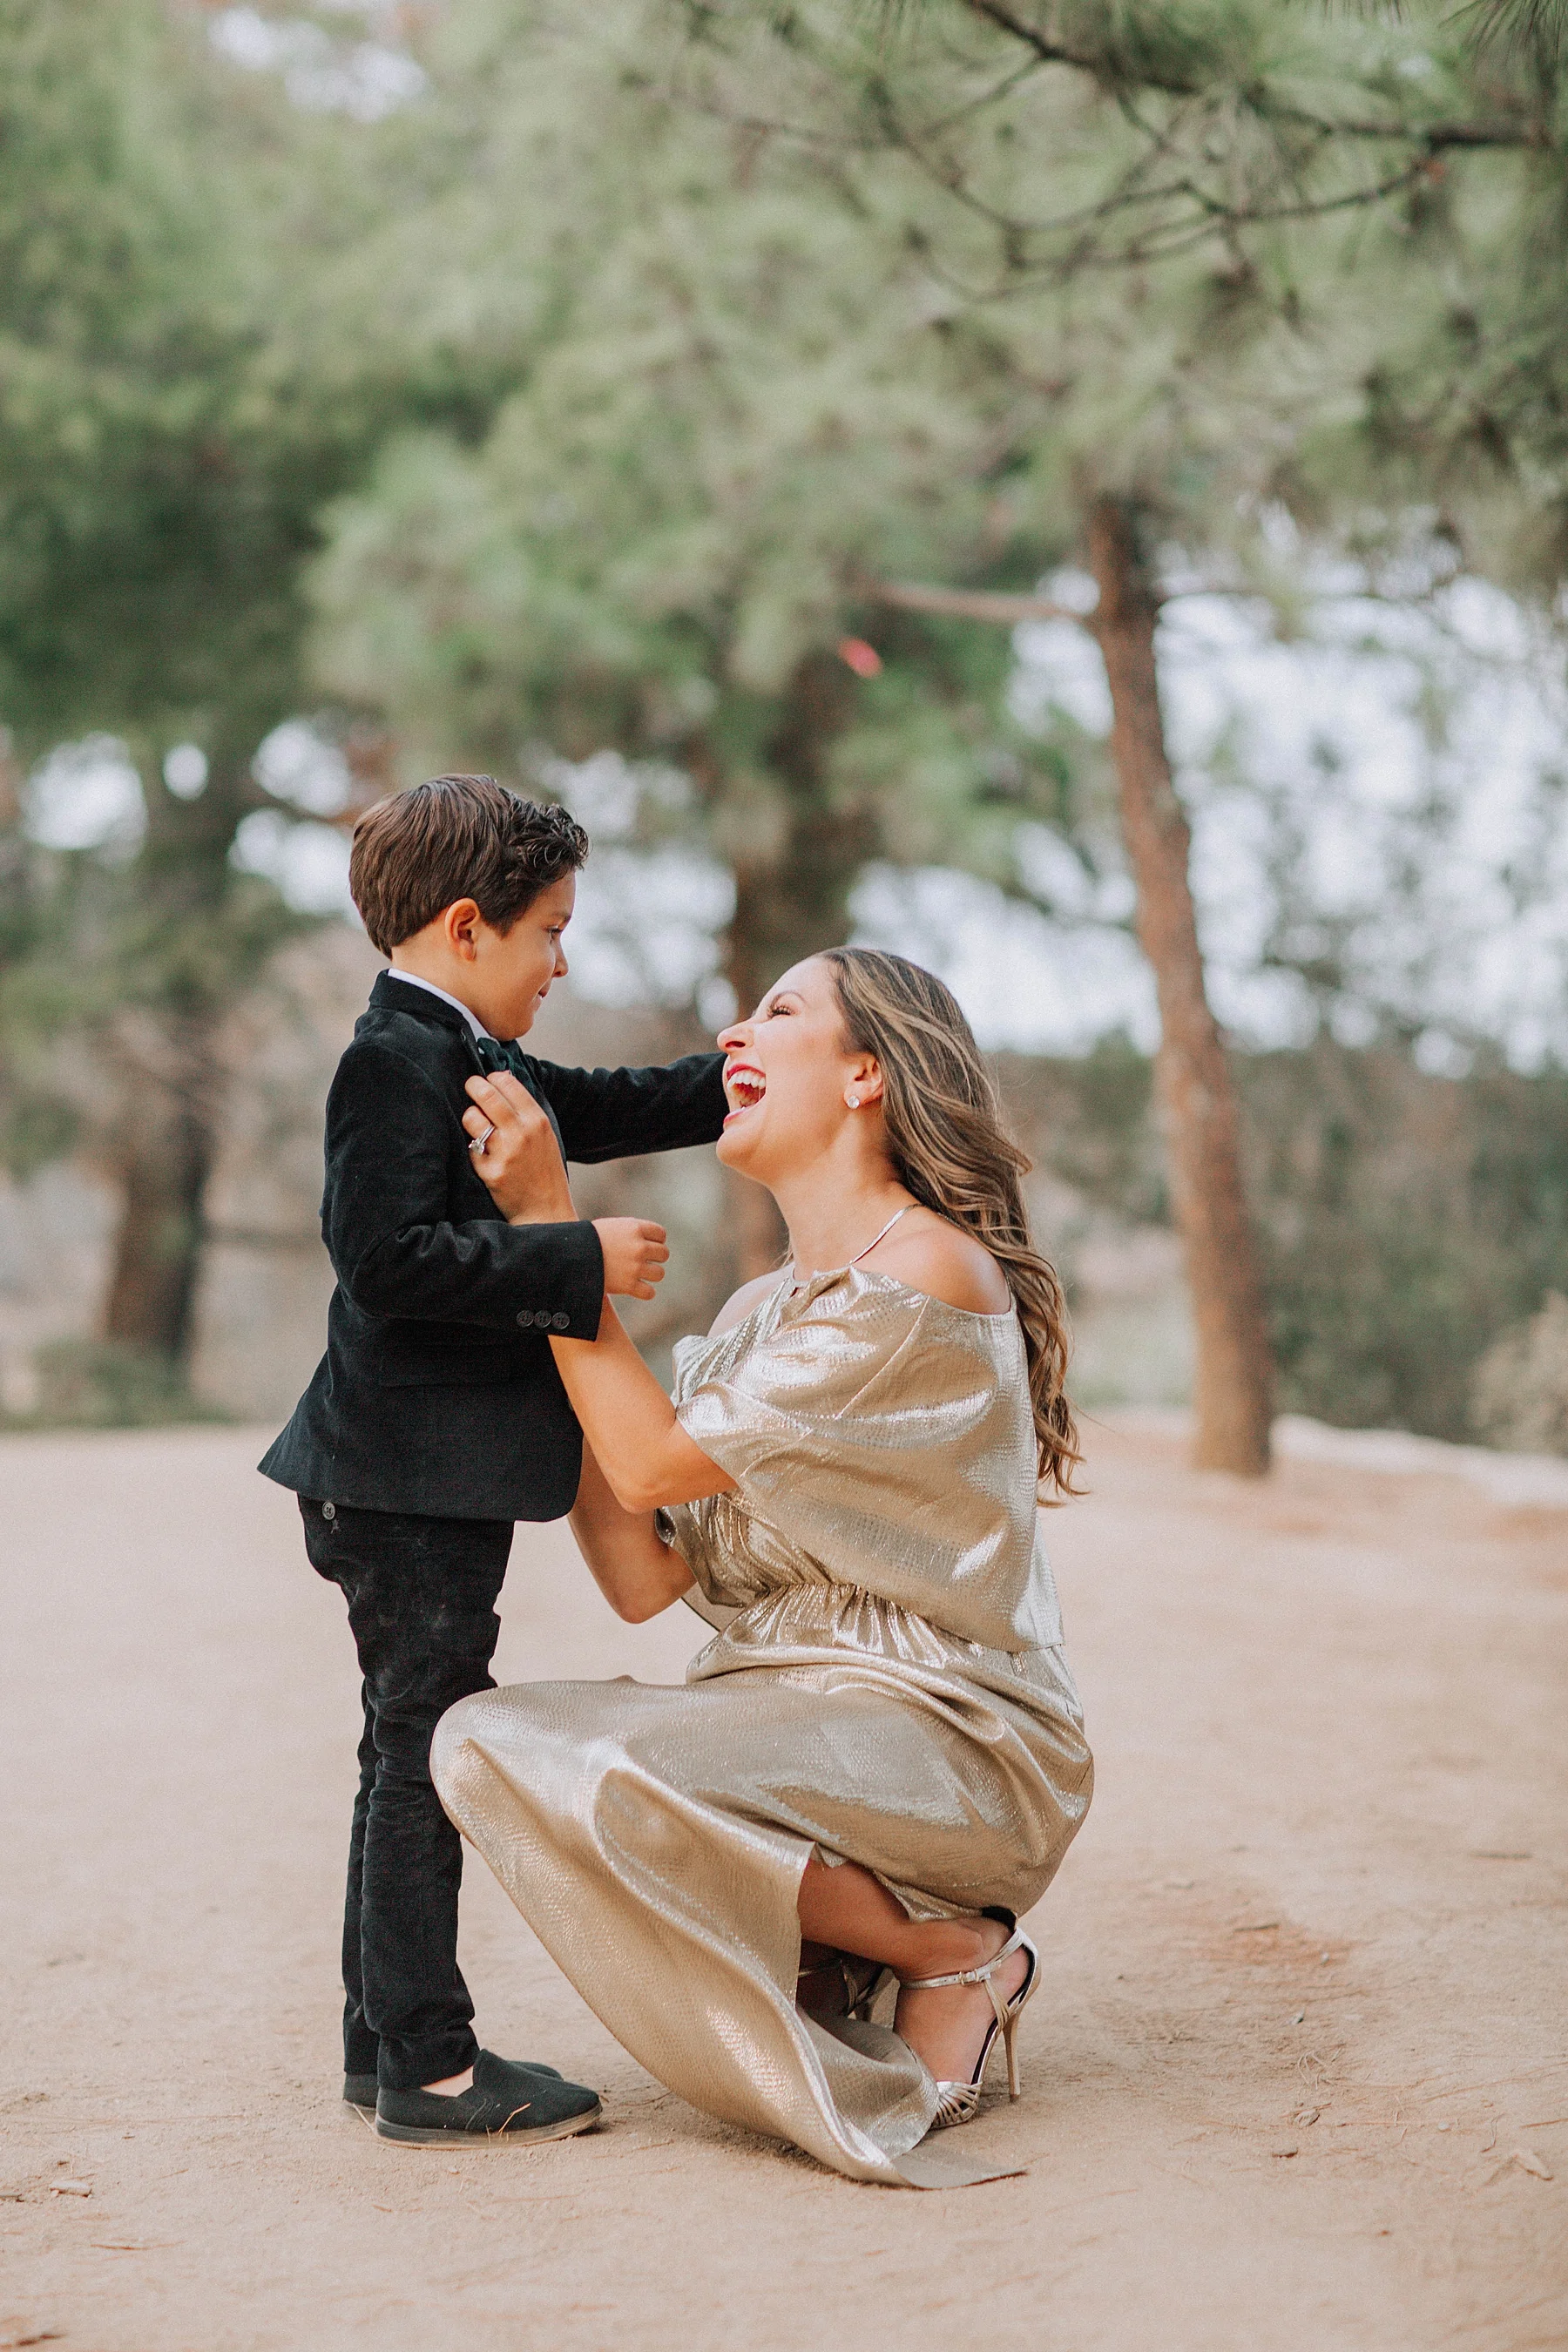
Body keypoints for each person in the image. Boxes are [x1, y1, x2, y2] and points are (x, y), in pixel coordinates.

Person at [433, 947, 1092, 2187]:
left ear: (864, 1076)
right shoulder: (748, 1316)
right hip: (779, 1716)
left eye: (778, 1012)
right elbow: (641, 1576)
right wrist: (535, 1300)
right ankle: (852, 1947)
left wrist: (548, 1237)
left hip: (952, 1735)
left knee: (609, 1763)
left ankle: (950, 1948)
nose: (733, 1033)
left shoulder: (926, 1275)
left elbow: (652, 1462)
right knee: (483, 1739)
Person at [258, 775, 728, 2146]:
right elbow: (385, 1261)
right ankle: (434, 2067)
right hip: (400, 1481)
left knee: (401, 1747)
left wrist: (736, 1074)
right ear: (470, 927)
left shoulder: (466, 1048)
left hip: (417, 1479)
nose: (565, 961)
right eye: (551, 932)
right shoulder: (389, 1063)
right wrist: (573, 1257)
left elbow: (604, 1100)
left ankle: (379, 2040)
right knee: (429, 1752)